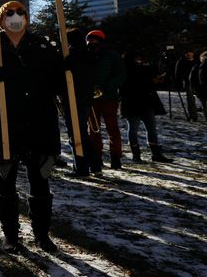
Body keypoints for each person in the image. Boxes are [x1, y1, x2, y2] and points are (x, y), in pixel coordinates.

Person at [0, 1, 63, 253]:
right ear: (1, 20)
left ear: (27, 18)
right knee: (6, 180)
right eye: (9, 13)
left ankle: (42, 235)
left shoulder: (42, 46)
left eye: (20, 12)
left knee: (40, 180)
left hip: (39, 123)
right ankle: (10, 236)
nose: (15, 17)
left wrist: (71, 69)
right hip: (5, 124)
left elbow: (59, 83)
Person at [120, 51, 173, 163]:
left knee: (148, 128)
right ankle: (139, 155)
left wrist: (154, 80)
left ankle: (152, 154)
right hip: (133, 102)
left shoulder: (136, 68)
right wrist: (151, 81)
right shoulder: (126, 69)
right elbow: (131, 84)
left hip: (143, 102)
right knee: (137, 129)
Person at [63, 29, 102, 177]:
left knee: (76, 134)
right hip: (86, 98)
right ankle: (95, 164)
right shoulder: (89, 54)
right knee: (82, 133)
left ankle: (81, 167)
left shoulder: (71, 56)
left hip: (74, 98)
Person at [86, 30, 126, 170]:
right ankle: (96, 157)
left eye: (93, 40)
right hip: (92, 98)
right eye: (89, 40)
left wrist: (108, 87)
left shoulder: (112, 55)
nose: (90, 42)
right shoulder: (86, 55)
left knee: (112, 128)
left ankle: (116, 157)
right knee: (93, 129)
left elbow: (121, 74)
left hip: (109, 97)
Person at [175, 50, 198, 121]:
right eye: (187, 53)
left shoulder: (197, 61)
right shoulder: (182, 61)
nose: (189, 54)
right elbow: (178, 73)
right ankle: (193, 116)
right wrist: (179, 83)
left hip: (198, 83)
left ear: (193, 53)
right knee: (191, 100)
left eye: (190, 53)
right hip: (188, 83)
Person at [192, 51, 207, 121]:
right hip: (202, 90)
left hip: (200, 89)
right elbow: (202, 80)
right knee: (205, 105)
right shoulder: (202, 66)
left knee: (205, 105)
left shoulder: (199, 65)